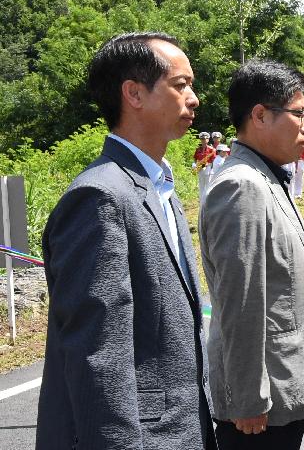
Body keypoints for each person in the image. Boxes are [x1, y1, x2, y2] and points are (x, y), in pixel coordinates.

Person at [37, 32, 217, 449]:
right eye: (180, 85)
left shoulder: (160, 187)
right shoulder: (100, 196)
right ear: (134, 93)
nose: (194, 98)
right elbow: (99, 355)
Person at [200, 59, 304, 450]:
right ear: (260, 115)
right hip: (261, 408)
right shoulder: (242, 187)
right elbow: (240, 302)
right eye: (299, 114)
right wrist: (248, 398)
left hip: (281, 393)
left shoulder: (267, 176)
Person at [194, 131, 216, 203]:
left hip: (208, 168)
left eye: (206, 139)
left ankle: (208, 200)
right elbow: (195, 158)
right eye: (202, 139)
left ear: (208, 140)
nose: (204, 140)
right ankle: (202, 200)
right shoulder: (198, 149)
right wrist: (196, 165)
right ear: (200, 140)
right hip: (200, 167)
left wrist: (207, 164)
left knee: (208, 184)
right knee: (201, 184)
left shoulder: (212, 149)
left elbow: (213, 160)